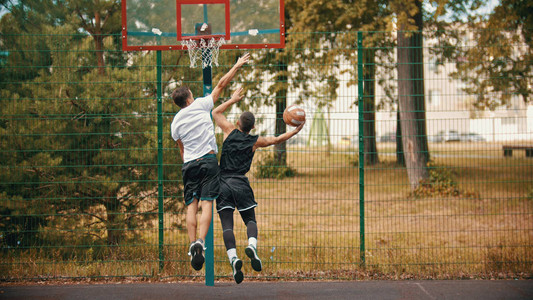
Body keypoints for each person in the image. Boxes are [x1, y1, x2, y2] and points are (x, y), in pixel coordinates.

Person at [212, 88, 305, 283]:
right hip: (240, 183)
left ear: (238, 123)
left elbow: (215, 113)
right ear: (252, 128)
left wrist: (233, 99)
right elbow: (276, 139)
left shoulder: (228, 131)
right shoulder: (255, 141)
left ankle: (234, 259)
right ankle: (252, 246)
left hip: (222, 183)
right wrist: (294, 130)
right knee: (250, 220)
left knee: (227, 225)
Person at [170, 53, 250, 271]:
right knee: (207, 204)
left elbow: (181, 148)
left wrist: (187, 165)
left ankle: (191, 243)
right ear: (189, 98)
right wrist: (237, 64)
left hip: (189, 164)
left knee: (191, 205)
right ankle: (201, 243)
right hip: (207, 161)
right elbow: (222, 84)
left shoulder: (175, 122)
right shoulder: (202, 105)